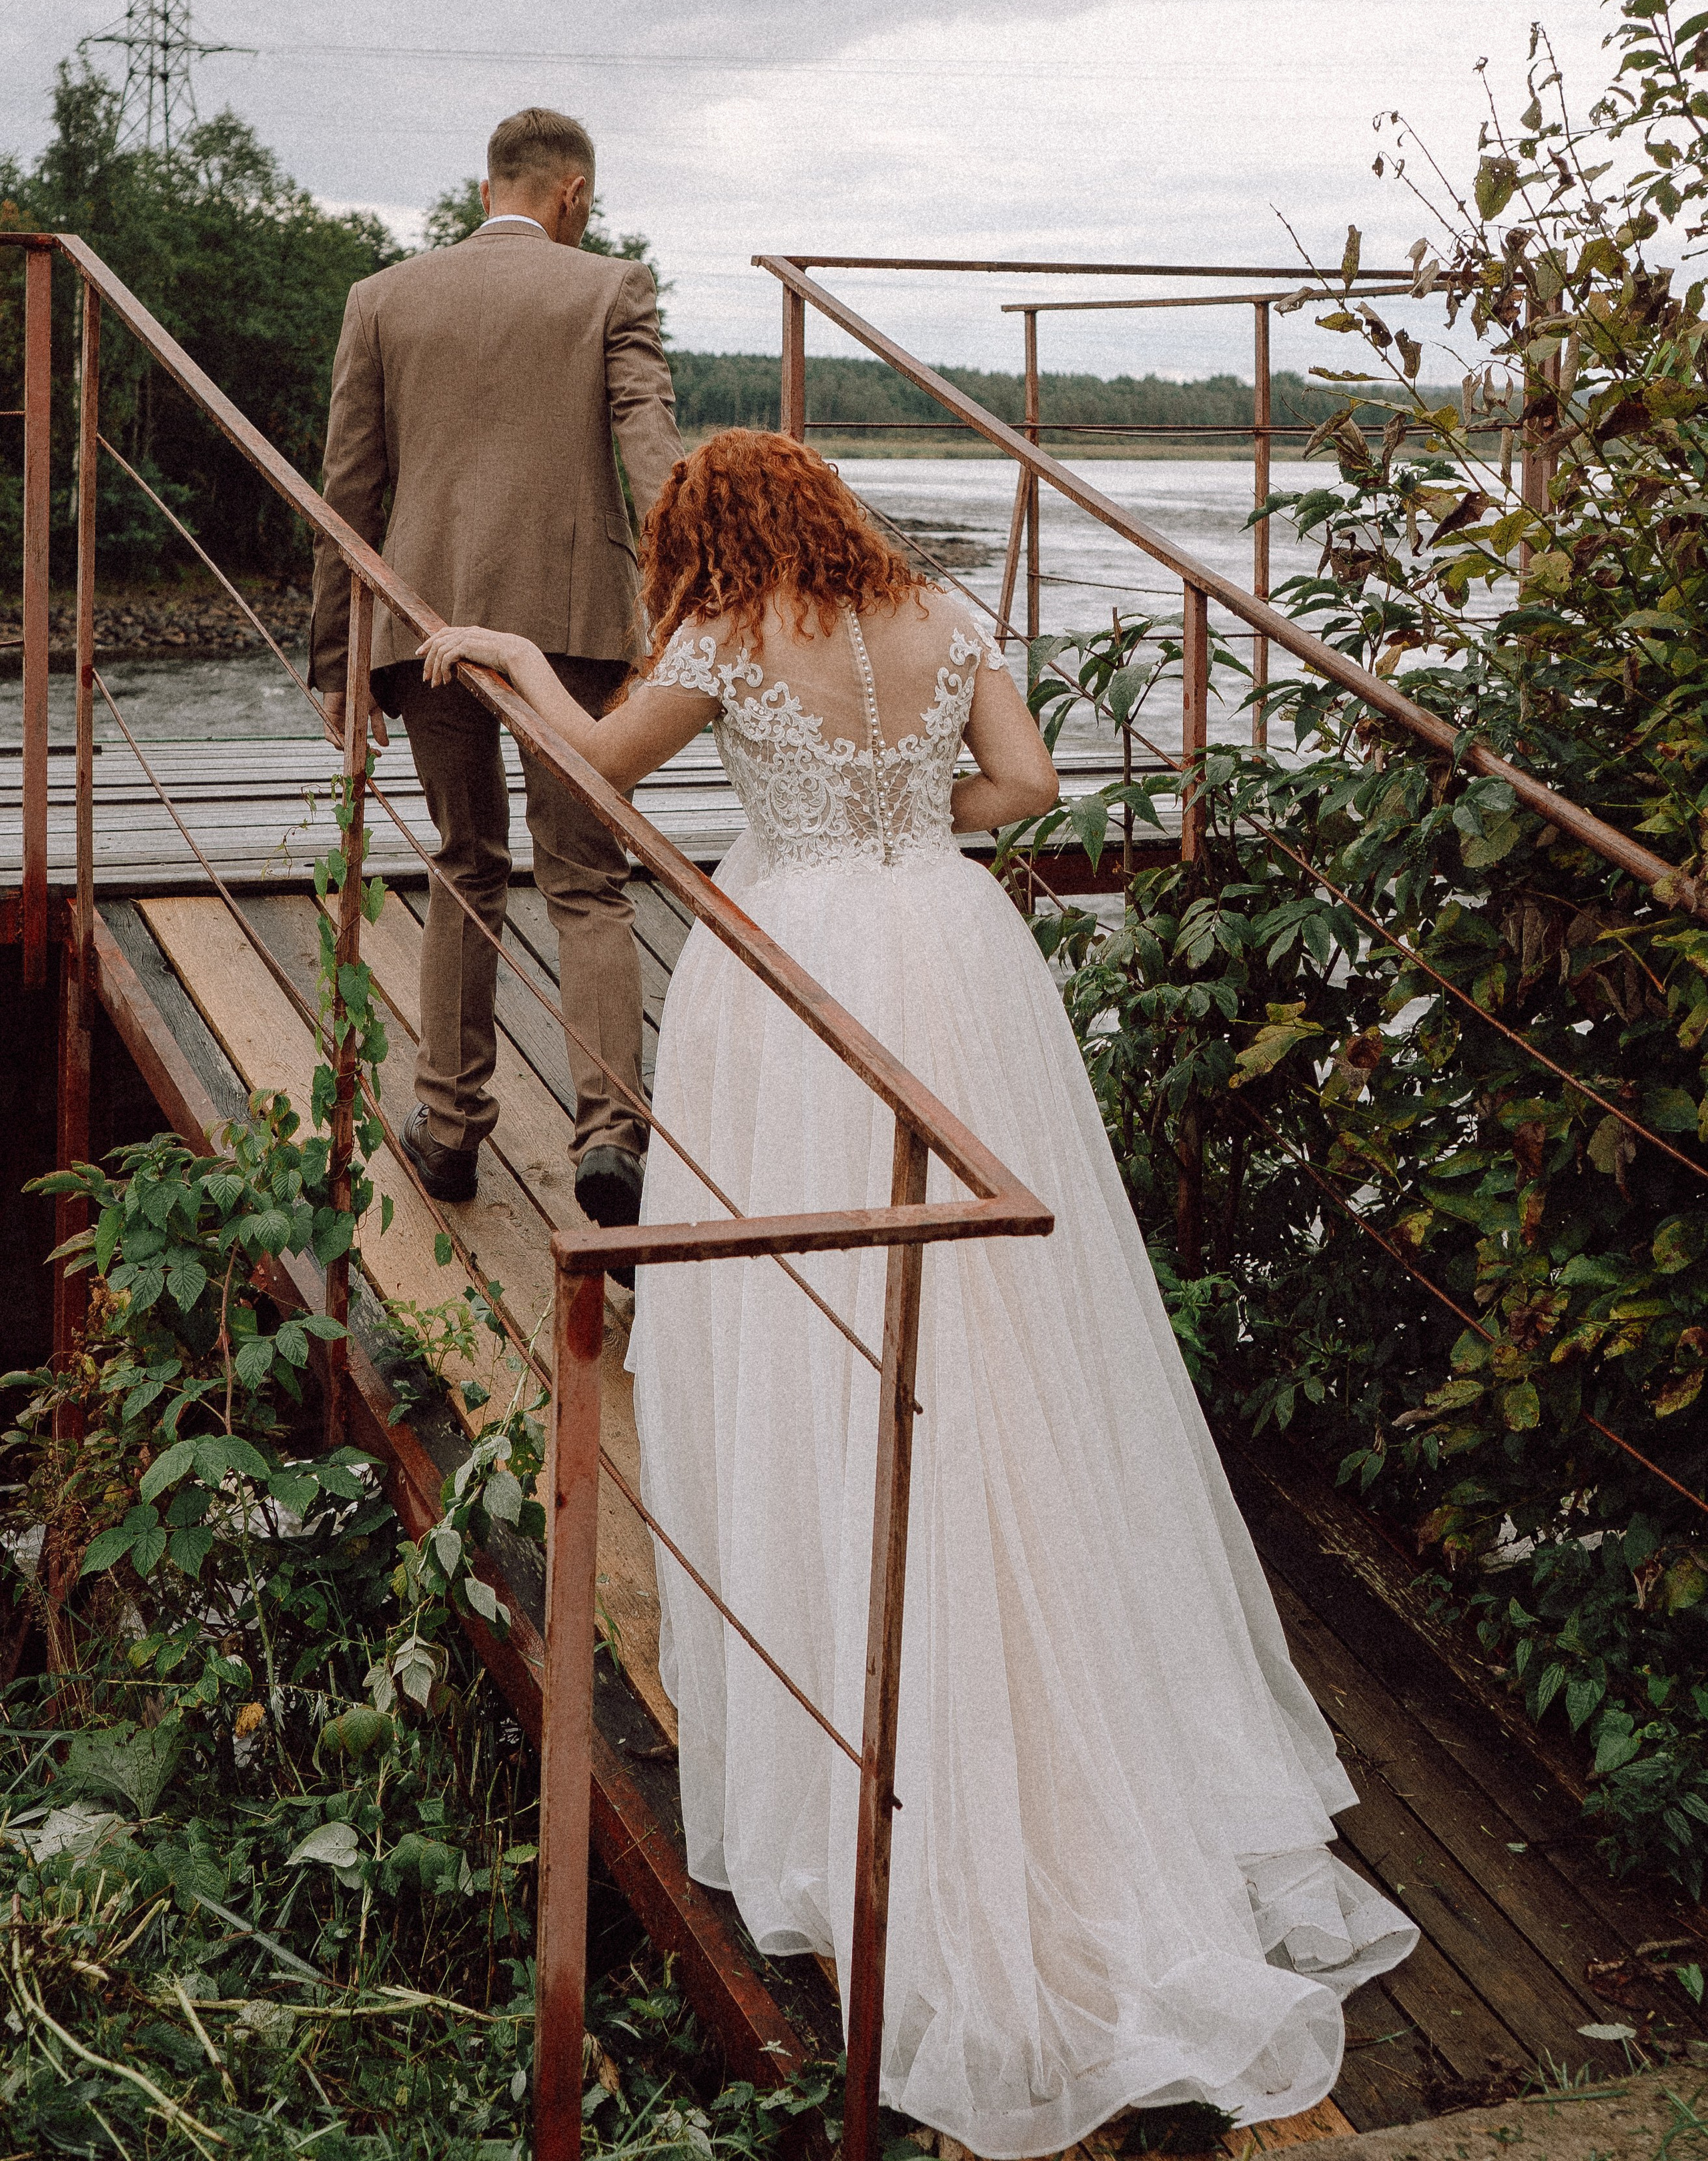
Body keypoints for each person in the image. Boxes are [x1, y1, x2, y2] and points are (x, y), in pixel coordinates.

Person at [418, 428, 1416, 2156]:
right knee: (1014, 1312)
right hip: (957, 951)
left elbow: (597, 777)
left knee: (823, 1277)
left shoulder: (728, 636)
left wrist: (509, 660)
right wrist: (903, 828)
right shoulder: (950, 612)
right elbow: (1026, 796)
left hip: (803, 953)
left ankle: (866, 1647)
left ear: (709, 534)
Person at [310, 105, 681, 1234]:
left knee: (466, 863)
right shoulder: (611, 288)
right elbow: (653, 455)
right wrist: (706, 590)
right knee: (587, 879)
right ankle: (611, 1131)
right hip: (574, 626)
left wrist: (338, 661)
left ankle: (448, 1126)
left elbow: (348, 495)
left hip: (425, 630)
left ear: (490, 190)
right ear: (572, 192)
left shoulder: (383, 299)